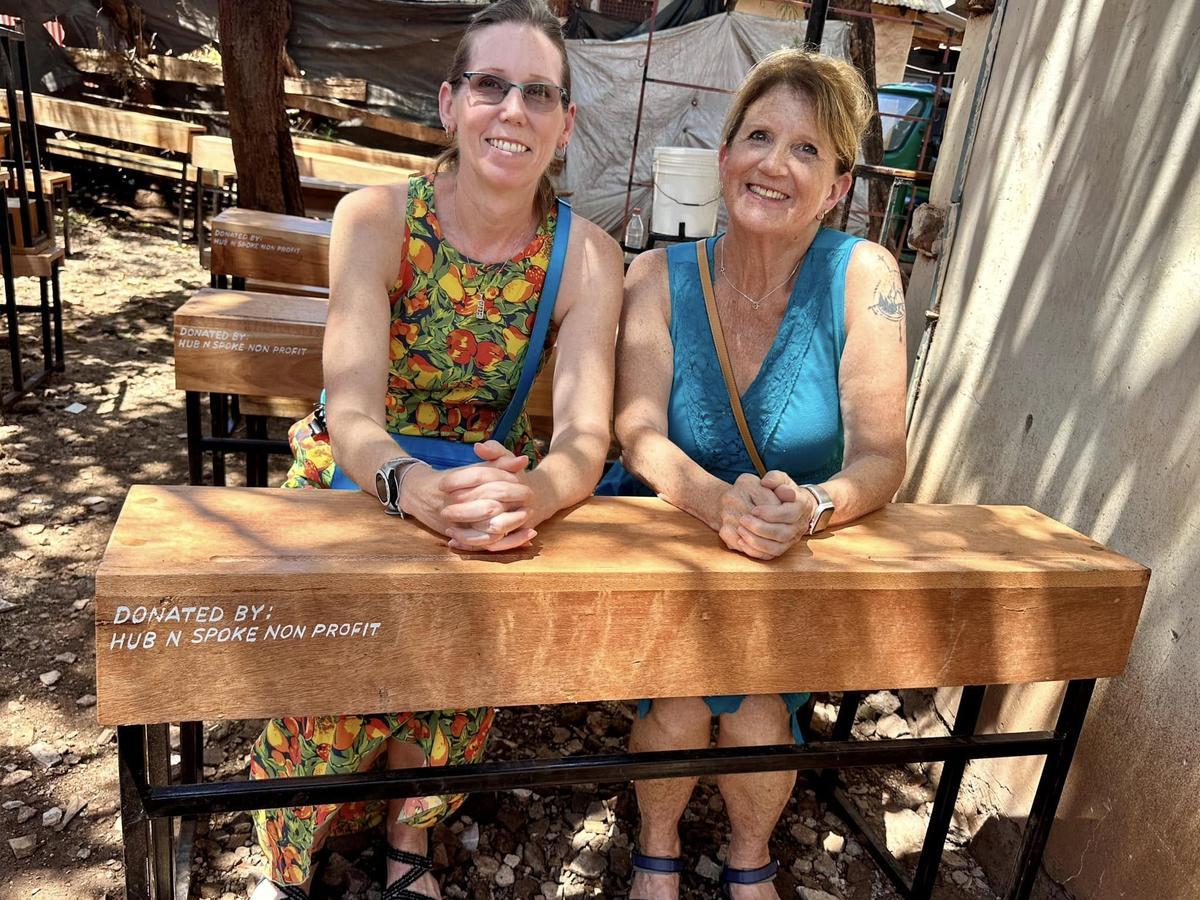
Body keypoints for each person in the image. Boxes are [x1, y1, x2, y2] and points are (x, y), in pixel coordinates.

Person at [248, 1, 623, 897]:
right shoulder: (376, 218)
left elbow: (584, 436)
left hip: (486, 488)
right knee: (332, 669)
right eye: (491, 84)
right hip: (361, 473)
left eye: (539, 93)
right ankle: (287, 855)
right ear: (451, 104)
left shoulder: (588, 256)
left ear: (566, 125)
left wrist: (537, 494)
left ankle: (408, 839)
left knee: (460, 660)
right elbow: (350, 410)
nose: (514, 109)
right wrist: (408, 483)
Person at [607, 49, 908, 899]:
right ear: (725, 156)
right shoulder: (655, 277)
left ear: (838, 186)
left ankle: (748, 859)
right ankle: (656, 851)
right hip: (672, 546)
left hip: (789, 561)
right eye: (760, 138)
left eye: (808, 150)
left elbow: (883, 457)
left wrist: (810, 506)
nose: (776, 164)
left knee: (758, 710)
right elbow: (636, 433)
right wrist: (716, 504)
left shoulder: (864, 276)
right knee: (678, 701)